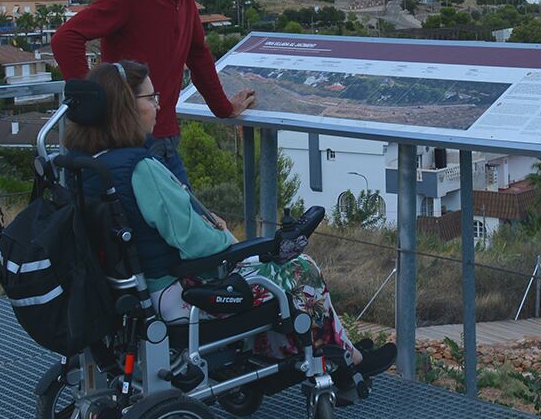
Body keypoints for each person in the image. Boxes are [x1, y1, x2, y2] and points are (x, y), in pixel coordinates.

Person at [60, 60, 393, 400]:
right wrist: (231, 240)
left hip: (128, 293)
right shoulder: (140, 168)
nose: (158, 104)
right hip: (177, 296)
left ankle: (329, 351)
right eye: (151, 97)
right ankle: (347, 360)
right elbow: (197, 243)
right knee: (300, 270)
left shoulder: (83, 164)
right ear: (125, 109)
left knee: (278, 273)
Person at [51, 0, 256, 186]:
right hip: (126, 144)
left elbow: (198, 55)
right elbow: (65, 40)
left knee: (184, 223)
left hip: (165, 139)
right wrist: (94, 107)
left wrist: (223, 108)